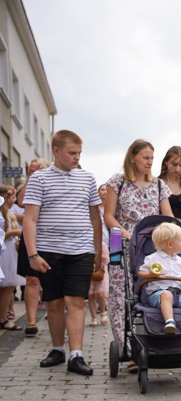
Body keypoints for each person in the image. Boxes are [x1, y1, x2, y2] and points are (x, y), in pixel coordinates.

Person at [23, 130, 103, 376]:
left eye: (79, 153)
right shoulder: (39, 179)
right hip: (49, 251)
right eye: (72, 153)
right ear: (56, 151)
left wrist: (98, 251)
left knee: (76, 300)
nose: (77, 157)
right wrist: (33, 254)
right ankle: (58, 350)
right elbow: (30, 219)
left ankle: (76, 356)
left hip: (80, 250)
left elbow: (95, 218)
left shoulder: (88, 179)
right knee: (54, 302)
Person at [104, 140, 173, 370]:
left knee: (150, 290)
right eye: (145, 158)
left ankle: (154, 341)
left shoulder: (160, 185)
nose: (150, 162)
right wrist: (127, 234)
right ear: (132, 158)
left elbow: (168, 217)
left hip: (150, 247)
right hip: (119, 242)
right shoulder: (118, 182)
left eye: (152, 158)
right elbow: (109, 216)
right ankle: (126, 346)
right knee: (120, 293)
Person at [138, 222, 181, 334]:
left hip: (177, 294)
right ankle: (170, 322)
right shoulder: (152, 259)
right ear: (170, 244)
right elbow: (141, 272)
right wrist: (149, 275)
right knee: (166, 295)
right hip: (158, 295)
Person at [16, 158, 51, 337]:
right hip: (31, 236)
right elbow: (21, 201)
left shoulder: (52, 180)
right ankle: (31, 322)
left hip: (50, 236)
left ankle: (60, 319)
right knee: (32, 280)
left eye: (39, 165)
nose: (35, 166)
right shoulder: (31, 182)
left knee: (53, 280)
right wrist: (31, 176)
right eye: (33, 165)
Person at [0, 186, 24, 330]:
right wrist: (15, 232)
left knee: (8, 287)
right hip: (4, 250)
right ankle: (3, 318)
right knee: (7, 286)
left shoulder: (7, 213)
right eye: (12, 198)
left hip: (8, 249)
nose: (14, 201)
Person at [158, 146, 181, 225]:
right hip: (160, 231)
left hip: (180, 232)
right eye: (174, 164)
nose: (177, 169)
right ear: (166, 162)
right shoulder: (156, 184)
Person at [87, 241, 109, 326]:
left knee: (100, 293)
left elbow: (107, 259)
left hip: (101, 272)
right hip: (89, 270)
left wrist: (96, 256)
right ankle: (94, 317)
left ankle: (103, 312)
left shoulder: (102, 245)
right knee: (91, 295)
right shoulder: (86, 244)